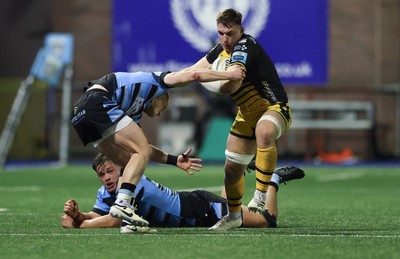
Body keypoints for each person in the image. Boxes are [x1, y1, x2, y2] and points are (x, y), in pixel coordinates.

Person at [70, 67, 245, 227]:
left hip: (79, 114)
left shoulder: (131, 113)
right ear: (160, 96)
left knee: (129, 160)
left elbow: (143, 149)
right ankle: (122, 204)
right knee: (139, 152)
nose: (161, 112)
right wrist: (229, 75)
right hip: (97, 102)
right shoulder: (157, 81)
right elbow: (194, 74)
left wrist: (174, 160)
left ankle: (131, 220)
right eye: (164, 106)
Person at [183, 8, 292, 230]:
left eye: (230, 33)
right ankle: (233, 217)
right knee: (231, 171)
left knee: (264, 132)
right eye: (221, 33)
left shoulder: (244, 46)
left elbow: (229, 86)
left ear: (241, 30)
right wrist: (165, 82)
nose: (225, 38)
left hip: (273, 107)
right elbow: (193, 70)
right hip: (246, 116)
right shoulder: (219, 49)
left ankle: (261, 194)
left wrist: (201, 78)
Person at [61, 154, 305, 232]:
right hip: (199, 207)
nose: (107, 178)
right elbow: (99, 213)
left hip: (201, 210)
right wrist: (80, 214)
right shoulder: (106, 191)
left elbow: (115, 220)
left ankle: (273, 179)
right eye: (102, 175)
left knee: (267, 221)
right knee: (226, 201)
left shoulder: (131, 183)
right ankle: (238, 171)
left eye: (110, 171)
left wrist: (78, 225)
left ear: (121, 168)